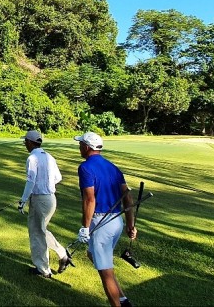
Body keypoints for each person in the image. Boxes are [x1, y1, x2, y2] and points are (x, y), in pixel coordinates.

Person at [74, 131, 136, 307]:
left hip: (101, 223)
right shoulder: (112, 167)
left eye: (80, 145)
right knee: (92, 254)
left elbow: (89, 199)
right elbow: (128, 197)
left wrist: (85, 227)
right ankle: (123, 299)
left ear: (87, 147)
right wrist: (130, 224)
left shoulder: (85, 167)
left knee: (105, 272)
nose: (79, 147)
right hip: (116, 222)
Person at [17, 129, 72, 278]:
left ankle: (43, 270)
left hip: (40, 199)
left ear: (30, 142)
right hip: (50, 199)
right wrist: (46, 184)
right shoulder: (48, 156)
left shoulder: (32, 159)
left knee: (36, 233)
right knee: (41, 230)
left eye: (25, 141)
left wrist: (23, 201)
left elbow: (30, 181)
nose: (24, 144)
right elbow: (58, 177)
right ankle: (62, 254)